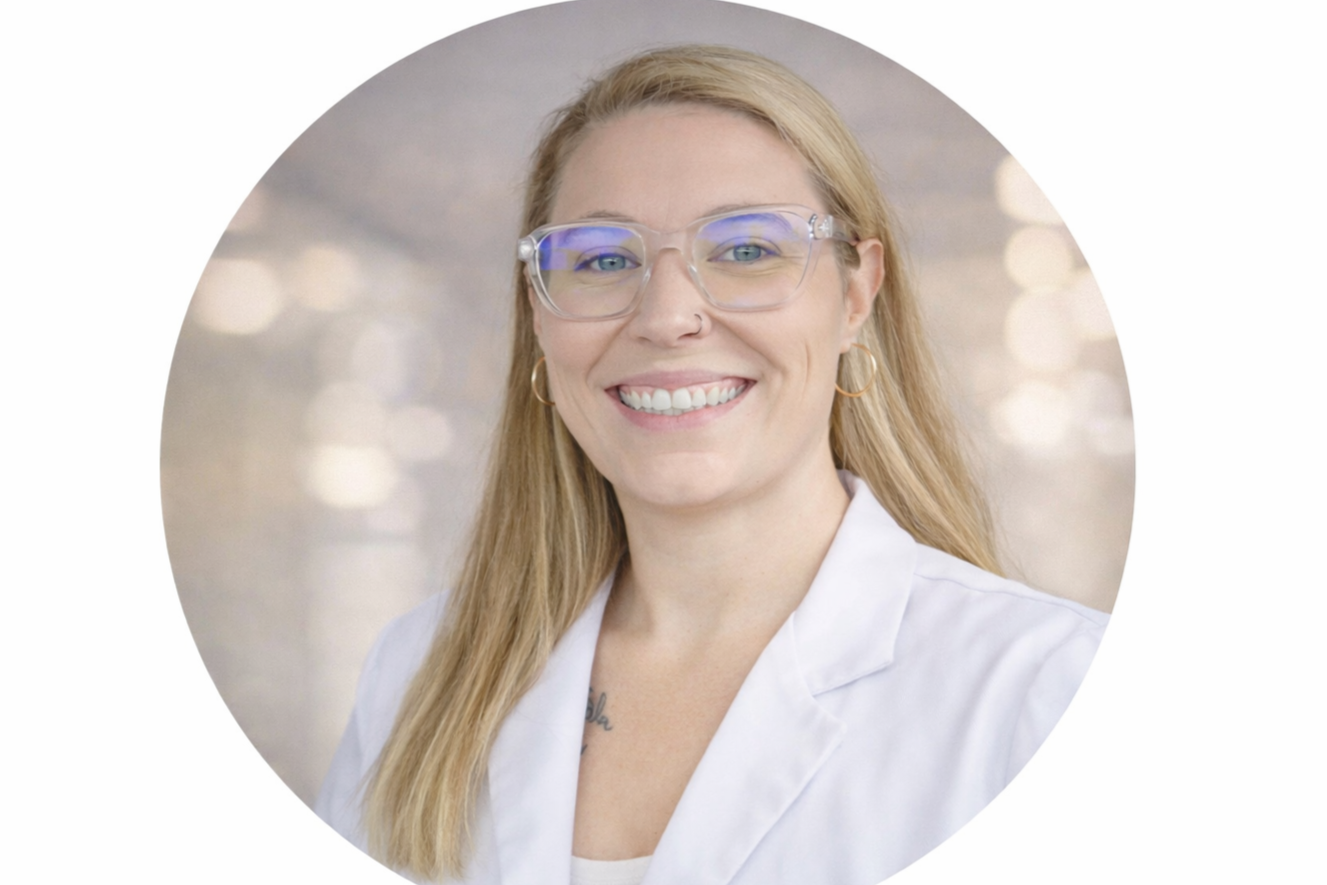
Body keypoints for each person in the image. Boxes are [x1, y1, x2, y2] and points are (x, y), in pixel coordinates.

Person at [315, 44, 1108, 885]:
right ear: (539, 320)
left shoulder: (1046, 689)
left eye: (745, 249)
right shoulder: (415, 673)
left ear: (853, 295)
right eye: (602, 260)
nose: (666, 316)